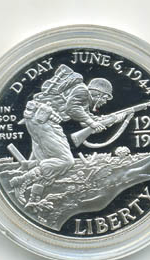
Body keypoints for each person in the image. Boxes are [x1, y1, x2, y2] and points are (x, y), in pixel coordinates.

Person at [10, 64, 114, 205]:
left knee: (50, 163)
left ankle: (34, 199)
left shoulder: (82, 99)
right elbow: (73, 109)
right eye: (105, 98)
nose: (105, 102)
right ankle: (20, 181)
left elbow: (83, 117)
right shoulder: (82, 91)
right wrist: (92, 123)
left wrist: (102, 121)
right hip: (44, 122)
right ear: (99, 94)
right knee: (65, 161)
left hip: (38, 120)